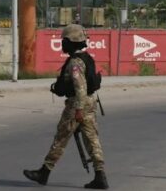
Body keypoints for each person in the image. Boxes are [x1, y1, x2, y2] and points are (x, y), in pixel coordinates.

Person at [23, 24, 108, 189]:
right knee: (92, 140)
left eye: (64, 40)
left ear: (71, 42)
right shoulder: (87, 58)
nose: (62, 43)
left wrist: (77, 111)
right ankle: (100, 175)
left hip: (78, 105)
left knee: (61, 138)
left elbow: (80, 87)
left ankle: (44, 172)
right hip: (90, 103)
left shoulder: (75, 63)